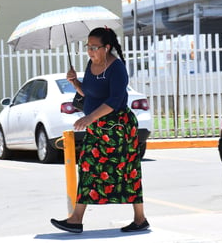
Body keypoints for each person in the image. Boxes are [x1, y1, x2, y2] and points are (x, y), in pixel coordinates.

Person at [50, 27, 149, 233]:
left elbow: (114, 100)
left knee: (128, 171)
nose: (90, 51)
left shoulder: (117, 68)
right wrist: (75, 82)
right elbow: (89, 93)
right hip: (97, 129)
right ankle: (76, 219)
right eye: (88, 47)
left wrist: (88, 118)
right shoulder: (91, 64)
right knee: (87, 167)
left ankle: (140, 219)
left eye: (95, 47)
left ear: (107, 47)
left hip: (118, 128)